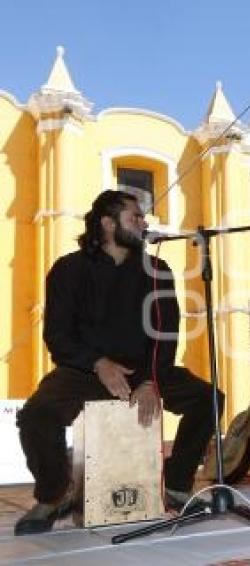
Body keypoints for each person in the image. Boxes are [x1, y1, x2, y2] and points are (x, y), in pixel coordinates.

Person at [15, 190, 222, 536]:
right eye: (135, 217)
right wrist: (98, 363)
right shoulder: (68, 269)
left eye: (143, 217)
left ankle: (174, 484)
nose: (144, 223)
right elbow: (58, 336)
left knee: (208, 398)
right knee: (37, 414)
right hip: (84, 369)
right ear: (107, 223)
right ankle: (54, 494)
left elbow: (166, 334)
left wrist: (150, 380)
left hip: (147, 368)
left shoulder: (157, 270)